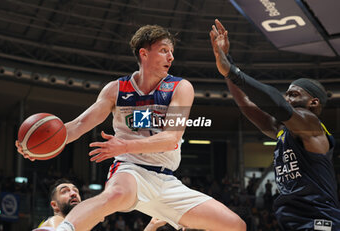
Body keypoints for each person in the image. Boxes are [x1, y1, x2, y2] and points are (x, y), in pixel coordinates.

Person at [17, 24, 246, 231]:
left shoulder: (180, 87)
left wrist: (124, 144)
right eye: (165, 50)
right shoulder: (115, 90)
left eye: (172, 51)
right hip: (130, 169)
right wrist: (37, 148)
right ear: (144, 54)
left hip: (166, 180)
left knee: (236, 225)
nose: (171, 57)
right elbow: (78, 125)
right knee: (116, 194)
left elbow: (171, 138)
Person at [210, 19, 340, 230]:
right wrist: (226, 61)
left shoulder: (311, 125)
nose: (287, 98)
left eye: (294, 94)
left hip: (319, 220)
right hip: (291, 221)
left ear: (313, 102)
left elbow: (277, 105)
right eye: (286, 94)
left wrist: (232, 72)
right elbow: (247, 104)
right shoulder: (283, 131)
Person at [34, 178, 166, 231]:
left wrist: (151, 227)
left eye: (76, 191)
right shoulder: (56, 221)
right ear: (54, 205)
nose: (73, 193)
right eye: (65, 191)